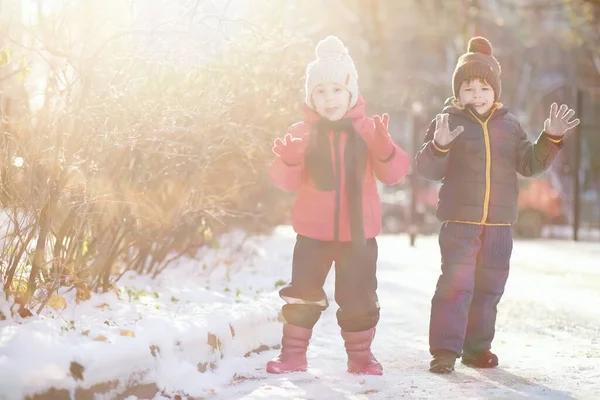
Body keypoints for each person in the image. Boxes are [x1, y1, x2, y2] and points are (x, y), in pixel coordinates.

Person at [415, 36, 581, 374]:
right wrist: (439, 146)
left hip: (500, 225)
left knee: (489, 288)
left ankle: (477, 349)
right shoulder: (448, 122)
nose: (476, 94)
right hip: (460, 222)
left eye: (484, 87)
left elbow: (529, 164)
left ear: (496, 91)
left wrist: (550, 138)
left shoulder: (510, 124)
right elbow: (427, 169)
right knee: (455, 286)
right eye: (468, 87)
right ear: (457, 92)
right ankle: (445, 350)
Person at [266, 35, 410, 375]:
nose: (329, 99)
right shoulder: (301, 132)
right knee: (303, 293)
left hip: (358, 234)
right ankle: (293, 354)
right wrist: (288, 161)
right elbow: (285, 183)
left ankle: (360, 356)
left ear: (351, 93)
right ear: (310, 96)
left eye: (336, 90)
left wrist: (384, 148)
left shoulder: (368, 129)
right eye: (320, 91)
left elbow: (394, 174)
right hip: (313, 233)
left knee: (358, 296)